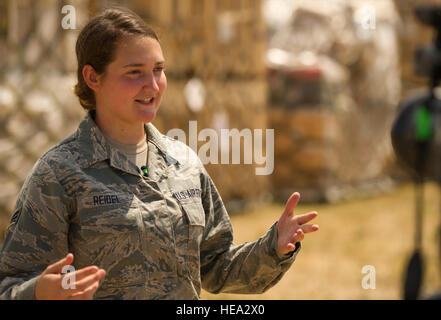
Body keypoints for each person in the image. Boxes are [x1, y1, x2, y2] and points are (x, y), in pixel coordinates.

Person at [0, 7, 319, 300]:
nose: (152, 85)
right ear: (93, 77)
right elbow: (10, 284)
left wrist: (274, 247)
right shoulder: (58, 173)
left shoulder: (185, 163)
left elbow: (217, 267)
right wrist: (40, 292)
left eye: (159, 69)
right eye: (134, 72)